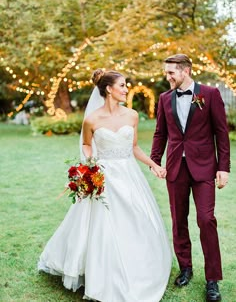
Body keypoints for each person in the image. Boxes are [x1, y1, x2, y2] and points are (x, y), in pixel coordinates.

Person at [38, 68, 172, 302]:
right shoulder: (92, 119)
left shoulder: (132, 115)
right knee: (103, 226)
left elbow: (134, 147)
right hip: (104, 177)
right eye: (122, 85)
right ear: (109, 89)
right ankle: (103, 272)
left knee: (137, 220)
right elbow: (87, 145)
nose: (126, 89)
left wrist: (154, 165)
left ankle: (139, 268)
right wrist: (90, 163)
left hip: (129, 176)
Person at [150, 54, 230, 302]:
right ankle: (186, 268)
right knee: (178, 219)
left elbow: (221, 132)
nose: (168, 77)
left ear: (185, 71)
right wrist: (155, 161)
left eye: (171, 72)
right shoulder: (164, 99)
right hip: (176, 167)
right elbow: (160, 132)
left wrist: (223, 167)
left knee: (206, 220)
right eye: (166, 72)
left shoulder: (210, 94)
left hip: (205, 167)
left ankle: (212, 279)